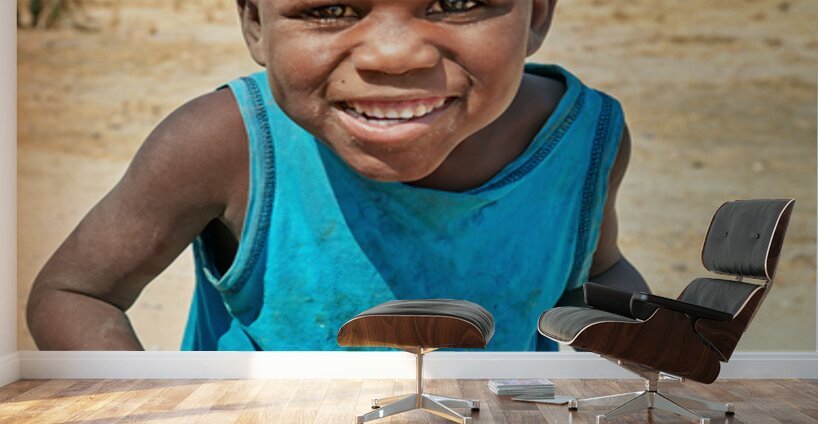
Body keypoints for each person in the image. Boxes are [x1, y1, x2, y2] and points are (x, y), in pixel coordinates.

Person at [27, 0, 649, 351]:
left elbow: (594, 274)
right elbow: (76, 294)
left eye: (456, 3)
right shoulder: (227, 144)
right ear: (255, 23)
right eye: (329, 9)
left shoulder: (582, 142)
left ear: (537, 14)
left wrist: (646, 345)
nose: (394, 55)